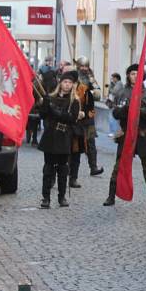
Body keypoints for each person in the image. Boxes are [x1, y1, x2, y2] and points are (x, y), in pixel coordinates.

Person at [104, 64, 146, 207]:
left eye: (138, 73)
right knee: (118, 166)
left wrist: (140, 111)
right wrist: (126, 109)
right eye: (132, 73)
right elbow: (115, 113)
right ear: (128, 76)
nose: (135, 76)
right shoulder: (122, 93)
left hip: (143, 134)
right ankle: (111, 196)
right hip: (126, 134)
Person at [38, 70, 81, 208]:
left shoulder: (74, 101)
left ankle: (61, 197)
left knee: (63, 169)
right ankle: (45, 198)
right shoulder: (51, 97)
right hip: (50, 136)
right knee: (48, 169)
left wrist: (55, 111)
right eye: (65, 82)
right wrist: (45, 104)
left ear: (72, 85)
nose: (67, 85)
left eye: (69, 82)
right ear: (60, 83)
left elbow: (72, 118)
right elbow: (43, 116)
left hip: (64, 136)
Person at [68, 57, 104, 188]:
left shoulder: (91, 78)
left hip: (88, 116)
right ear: (78, 66)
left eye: (85, 66)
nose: (83, 68)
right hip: (75, 116)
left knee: (91, 142)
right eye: (81, 66)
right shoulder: (73, 77)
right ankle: (69, 169)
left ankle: (93, 166)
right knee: (74, 144)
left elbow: (98, 93)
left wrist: (92, 91)